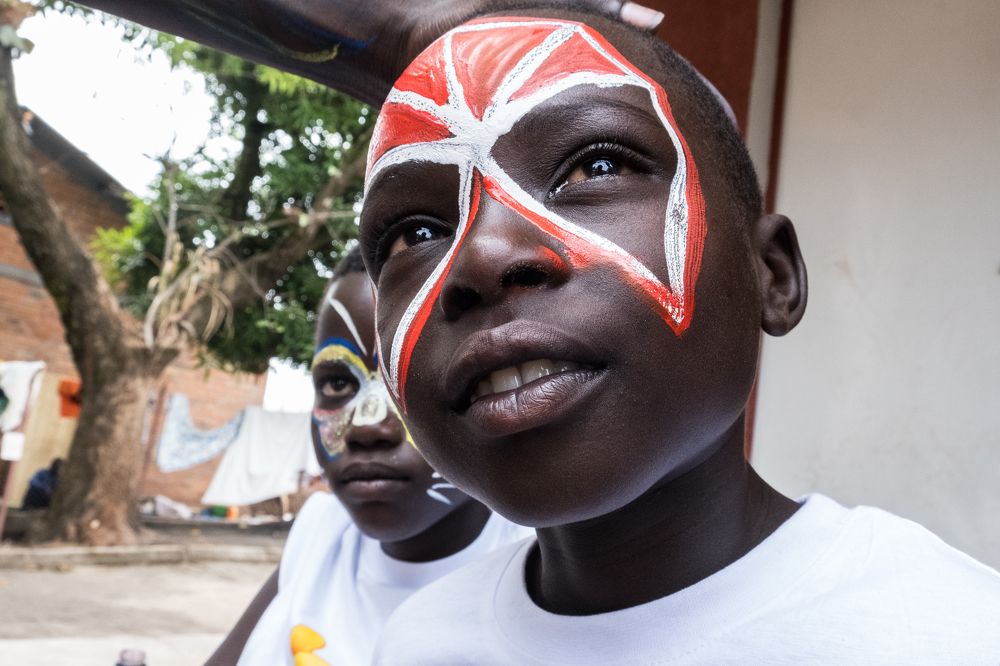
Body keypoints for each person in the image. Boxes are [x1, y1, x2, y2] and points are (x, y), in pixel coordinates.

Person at [358, 7, 1000, 663]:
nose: (483, 257)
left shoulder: (950, 636)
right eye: (413, 235)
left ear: (770, 276)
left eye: (596, 167)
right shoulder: (419, 642)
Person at [206, 247, 531, 665]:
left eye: (411, 376)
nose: (365, 426)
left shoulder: (542, 578)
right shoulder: (322, 534)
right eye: (338, 383)